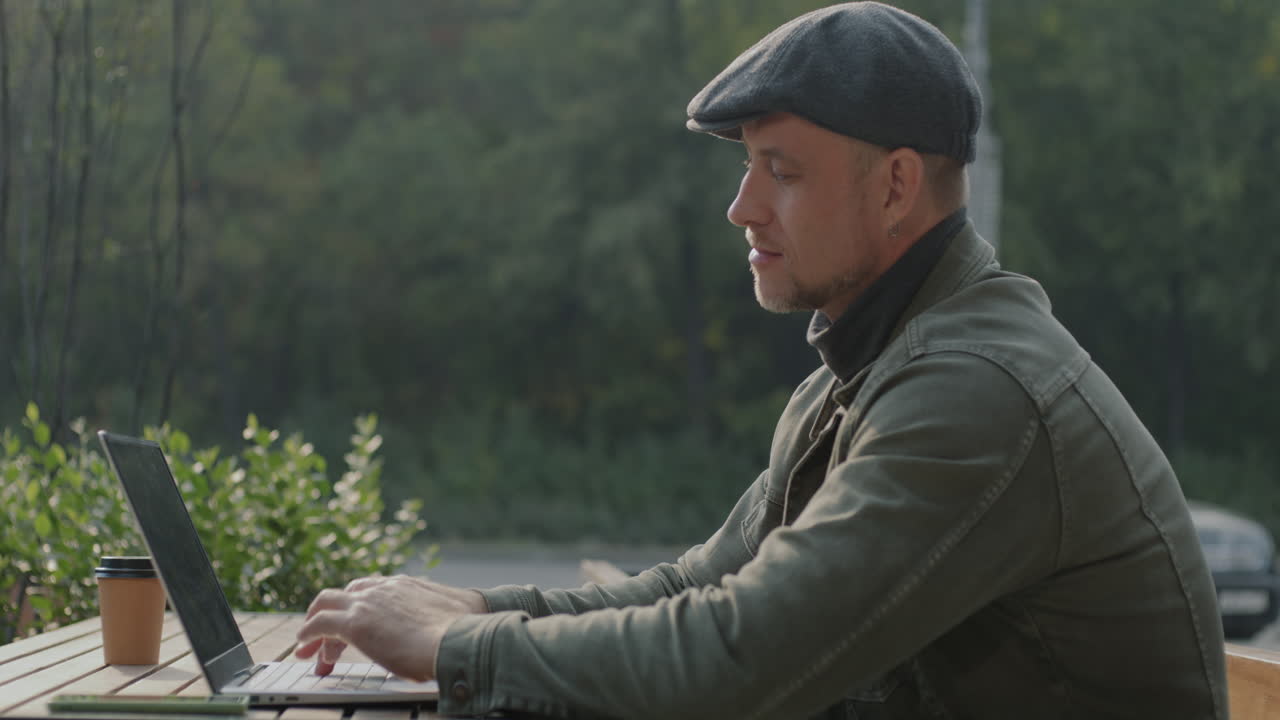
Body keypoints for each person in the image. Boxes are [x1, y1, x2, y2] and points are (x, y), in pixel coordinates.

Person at [295, 3, 1228, 718]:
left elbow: (737, 661)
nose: (741, 207)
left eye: (781, 171)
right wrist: (474, 607)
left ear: (897, 185)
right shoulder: (869, 374)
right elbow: (702, 588)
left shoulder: (976, 392)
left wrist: (457, 649)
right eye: (746, 166)